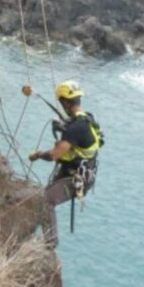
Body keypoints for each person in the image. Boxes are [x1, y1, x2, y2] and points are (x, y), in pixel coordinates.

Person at [28, 80, 101, 246]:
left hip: (76, 178)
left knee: (46, 200)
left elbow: (54, 155)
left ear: (65, 102)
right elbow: (80, 138)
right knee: (43, 199)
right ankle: (38, 233)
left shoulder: (76, 128)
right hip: (81, 173)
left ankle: (50, 243)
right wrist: (64, 126)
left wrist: (38, 155)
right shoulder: (87, 119)